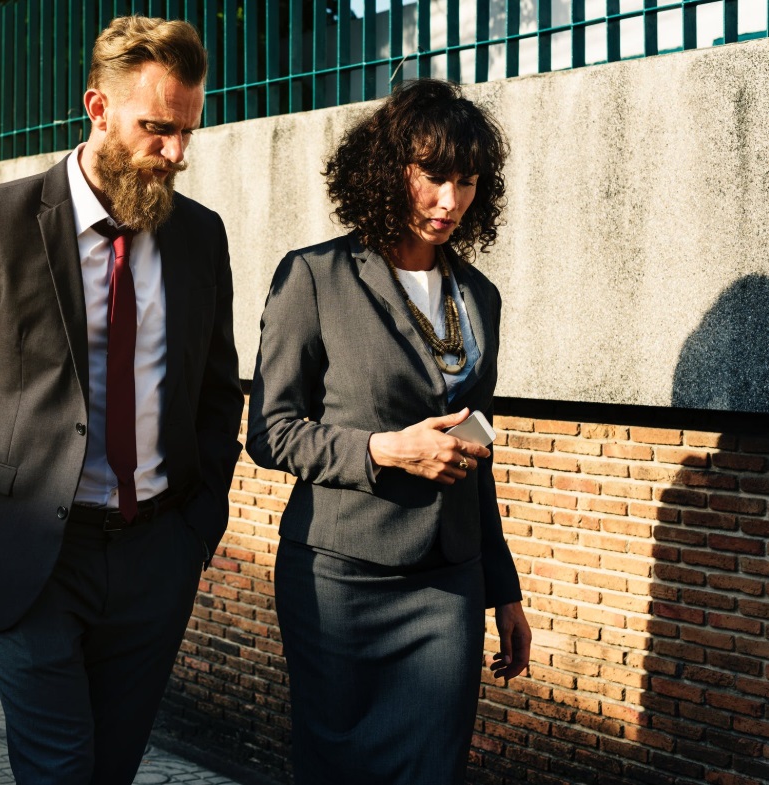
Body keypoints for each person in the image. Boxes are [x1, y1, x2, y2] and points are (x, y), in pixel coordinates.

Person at [0, 15, 243, 785]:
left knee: (109, 770)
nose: (174, 153)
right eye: (156, 129)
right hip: (34, 559)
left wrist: (196, 531)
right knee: (60, 772)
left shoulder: (199, 237)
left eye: (187, 132)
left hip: (155, 556)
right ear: (97, 108)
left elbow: (216, 394)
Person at [246, 79, 531, 785]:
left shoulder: (480, 297)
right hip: (340, 577)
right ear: (389, 170)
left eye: (467, 182)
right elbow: (270, 430)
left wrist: (504, 586)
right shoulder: (314, 277)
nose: (450, 201)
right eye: (434, 177)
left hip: (449, 584)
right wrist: (382, 449)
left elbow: (478, 454)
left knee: (433, 769)